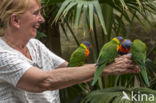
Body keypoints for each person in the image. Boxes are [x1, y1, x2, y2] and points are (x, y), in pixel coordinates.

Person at [0, 0, 139, 103]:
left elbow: (70, 69)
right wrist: (105, 68)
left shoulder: (35, 45)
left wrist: (115, 65)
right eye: (36, 13)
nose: (42, 19)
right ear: (16, 20)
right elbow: (43, 81)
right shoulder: (2, 54)